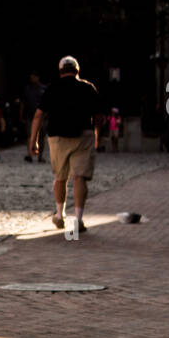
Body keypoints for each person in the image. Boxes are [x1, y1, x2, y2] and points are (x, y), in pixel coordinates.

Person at [30, 56, 101, 233]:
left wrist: (33, 140)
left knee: (60, 177)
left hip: (57, 137)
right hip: (83, 136)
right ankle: (78, 219)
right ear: (77, 70)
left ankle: (60, 214)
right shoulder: (88, 87)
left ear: (60, 71)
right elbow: (99, 116)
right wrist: (97, 135)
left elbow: (39, 115)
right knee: (79, 177)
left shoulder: (52, 89)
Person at [20, 72, 47, 162]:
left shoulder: (43, 89)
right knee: (29, 135)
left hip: (42, 117)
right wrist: (21, 115)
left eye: (34, 77)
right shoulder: (27, 89)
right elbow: (23, 103)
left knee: (41, 137)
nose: (32, 79)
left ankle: (40, 156)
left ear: (37, 77)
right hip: (30, 116)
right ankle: (30, 154)